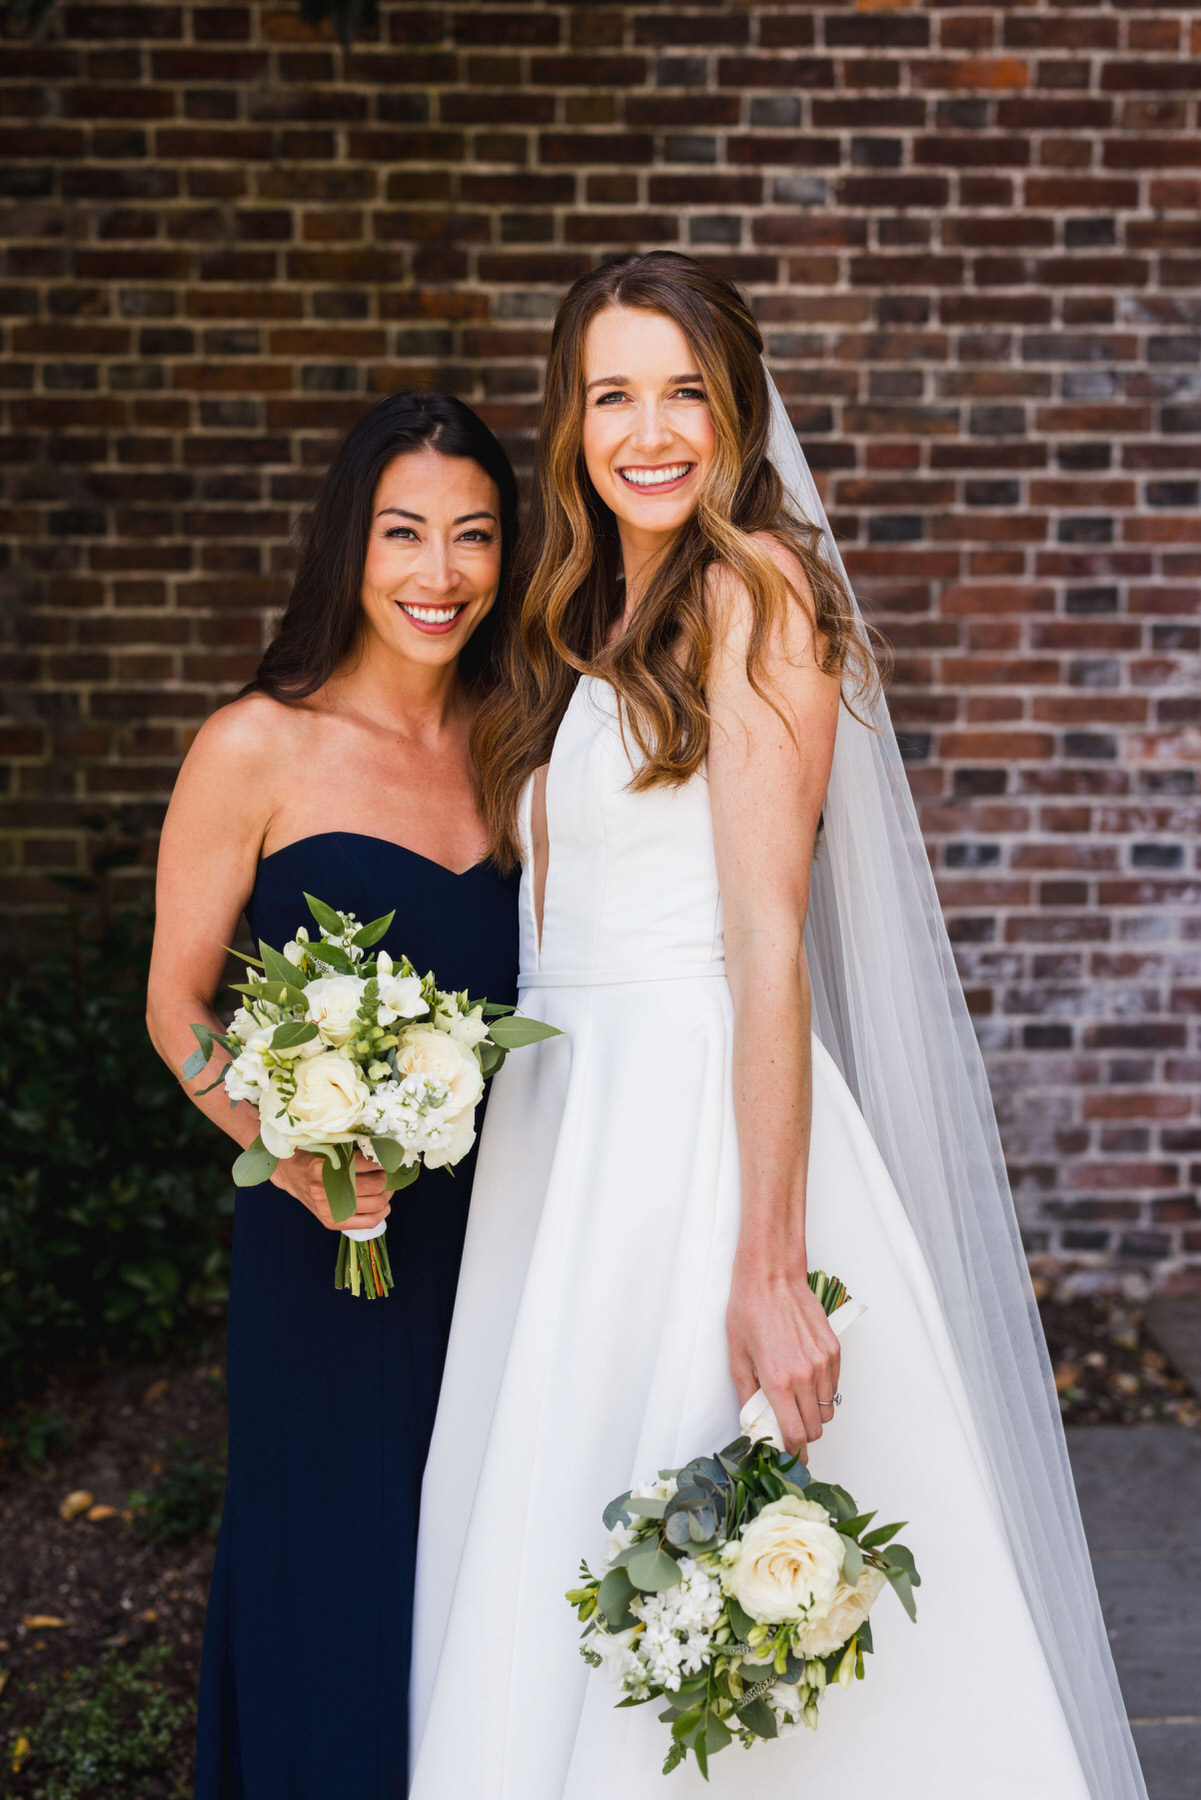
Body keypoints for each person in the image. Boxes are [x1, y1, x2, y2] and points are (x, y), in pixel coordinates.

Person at [409, 256, 1147, 1798]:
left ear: (736, 411)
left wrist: (764, 1264)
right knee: (558, 1526)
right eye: (612, 395)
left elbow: (762, 935)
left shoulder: (752, 594)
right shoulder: (580, 613)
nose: (648, 431)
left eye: (684, 392)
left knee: (699, 1539)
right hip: (562, 1140)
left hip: (685, 1122)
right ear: (571, 422)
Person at [145, 390, 522, 1800]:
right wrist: (287, 1145)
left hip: (507, 1234)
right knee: (332, 1573)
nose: (440, 573)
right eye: (403, 532)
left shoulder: (524, 742)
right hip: (329, 1238)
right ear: (347, 544)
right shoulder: (258, 744)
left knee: (482, 1571)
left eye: (474, 535)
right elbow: (177, 1009)